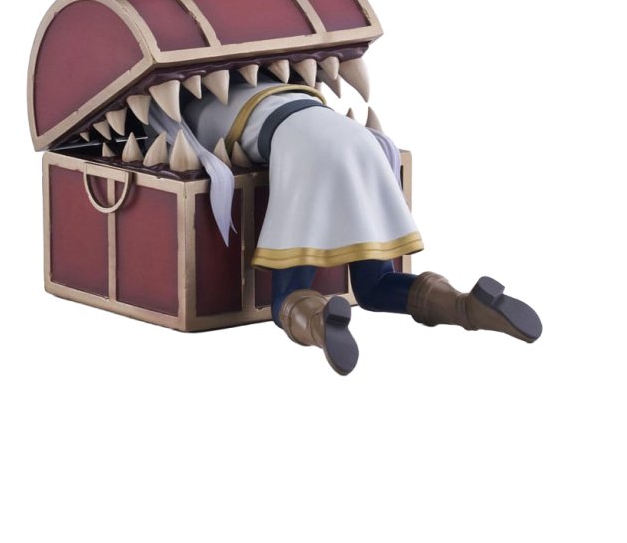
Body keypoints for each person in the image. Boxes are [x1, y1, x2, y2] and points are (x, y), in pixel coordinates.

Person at [150, 77, 542, 375]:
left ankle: (318, 322)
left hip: (308, 156)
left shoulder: (186, 113)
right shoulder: (279, 85)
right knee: (374, 286)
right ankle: (465, 305)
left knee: (286, 298)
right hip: (365, 144)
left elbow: (202, 162)